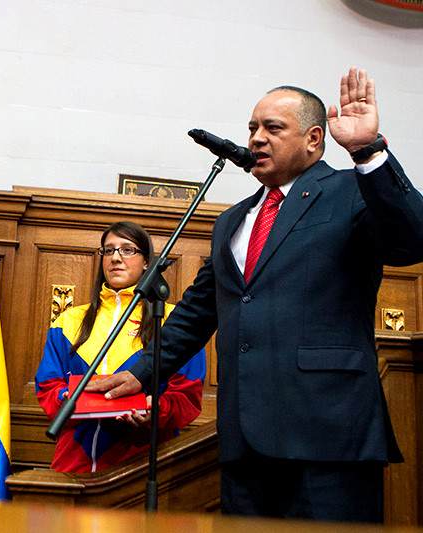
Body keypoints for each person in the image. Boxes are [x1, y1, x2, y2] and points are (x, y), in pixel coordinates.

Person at [86, 68, 423, 522]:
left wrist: (367, 151)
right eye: (252, 128)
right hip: (245, 441)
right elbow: (197, 312)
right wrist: (144, 372)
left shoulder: (350, 191)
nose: (257, 138)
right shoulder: (233, 220)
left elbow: (412, 238)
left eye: (273, 128)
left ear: (314, 138)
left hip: (327, 434)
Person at [35, 221, 206, 473]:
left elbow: (187, 395)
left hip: (140, 465)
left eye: (128, 250)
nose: (115, 257)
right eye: (108, 250)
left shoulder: (174, 324)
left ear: (147, 261)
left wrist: (155, 411)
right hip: (73, 462)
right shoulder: (69, 322)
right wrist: (66, 399)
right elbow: (48, 385)